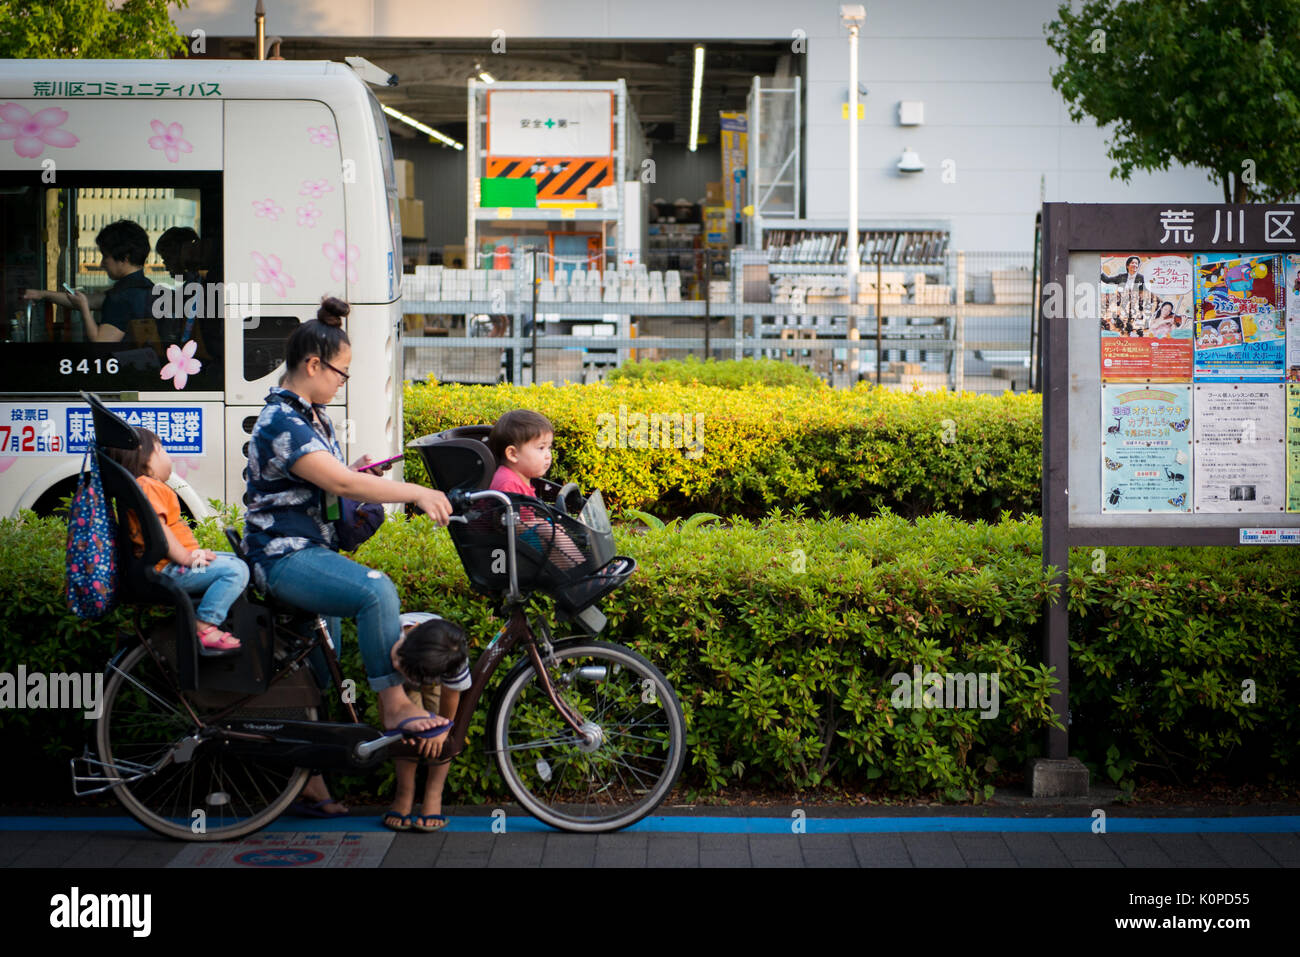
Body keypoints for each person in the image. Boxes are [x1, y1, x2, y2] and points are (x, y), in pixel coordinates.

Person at [242, 295, 454, 816]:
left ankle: (310, 782)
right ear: (313, 365)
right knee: (375, 588)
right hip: (282, 555)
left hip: (302, 550)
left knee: (320, 673)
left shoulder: (309, 417)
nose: (342, 381)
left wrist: (357, 471)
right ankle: (394, 704)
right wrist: (414, 493)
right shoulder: (282, 422)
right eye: (341, 372)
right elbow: (335, 480)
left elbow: (331, 480)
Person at [106, 426, 248, 654]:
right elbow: (159, 530)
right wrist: (187, 557)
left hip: (173, 565)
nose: (167, 456)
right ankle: (205, 624)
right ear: (145, 457)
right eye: (161, 449)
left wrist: (193, 555)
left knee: (236, 562)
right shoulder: (148, 486)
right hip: (172, 569)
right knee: (234, 571)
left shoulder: (144, 487)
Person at [379, 613, 471, 833]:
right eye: (397, 660)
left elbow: (450, 698)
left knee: (439, 737)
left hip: (432, 664)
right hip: (402, 679)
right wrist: (405, 726)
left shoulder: (453, 656)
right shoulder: (386, 642)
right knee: (406, 731)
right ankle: (404, 793)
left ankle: (433, 793)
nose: (394, 662)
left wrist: (442, 730)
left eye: (398, 662)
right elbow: (387, 711)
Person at [23, 220, 154, 343]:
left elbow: (101, 342)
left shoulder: (120, 297)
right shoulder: (147, 288)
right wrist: (44, 294)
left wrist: (84, 309)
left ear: (125, 258)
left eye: (105, 256)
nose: (102, 264)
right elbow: (90, 300)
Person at [487, 409, 585, 569]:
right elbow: (504, 525)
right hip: (513, 551)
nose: (548, 455)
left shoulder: (520, 477)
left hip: (524, 543)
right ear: (512, 454)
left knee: (555, 528)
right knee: (552, 532)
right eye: (541, 448)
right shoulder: (507, 483)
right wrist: (543, 524)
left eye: (549, 448)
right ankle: (581, 574)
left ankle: (582, 570)